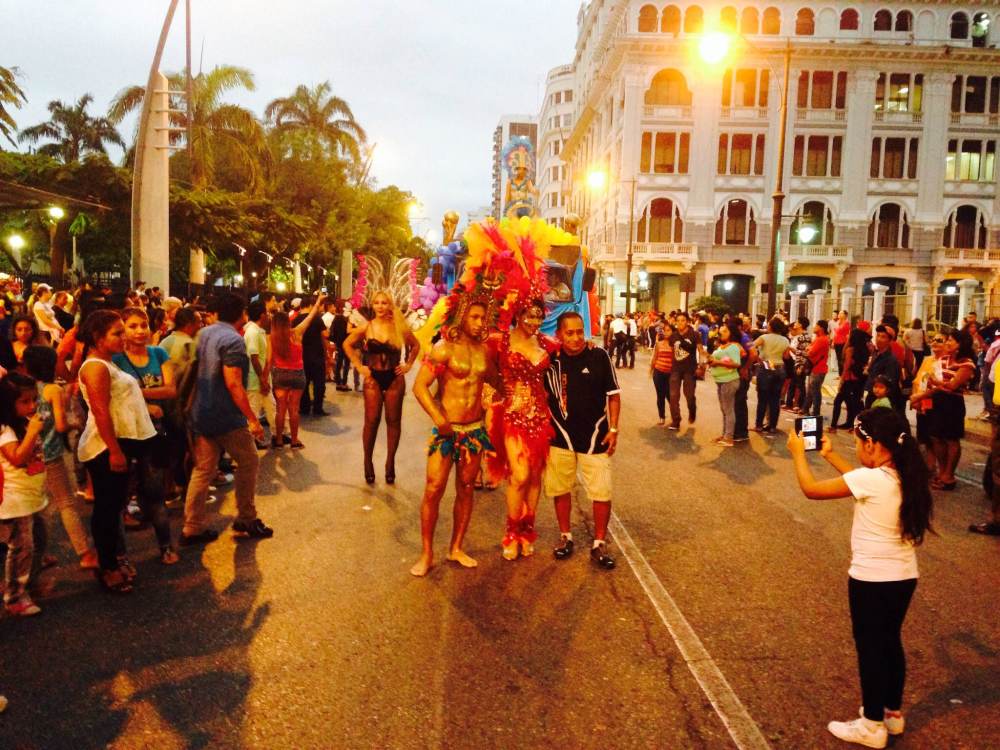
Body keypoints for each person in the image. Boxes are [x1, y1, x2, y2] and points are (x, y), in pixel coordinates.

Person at [788, 408, 932, 749]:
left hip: (872, 580)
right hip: (903, 576)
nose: (856, 449)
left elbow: (811, 489)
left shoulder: (873, 481)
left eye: (857, 443)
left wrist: (798, 454)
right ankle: (891, 714)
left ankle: (870, 725)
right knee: (889, 643)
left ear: (872, 444)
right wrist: (831, 455)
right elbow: (860, 482)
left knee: (870, 649)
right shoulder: (903, 475)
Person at [410, 301, 497, 577]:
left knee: (467, 488)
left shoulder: (485, 351)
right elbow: (419, 386)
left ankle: (456, 547)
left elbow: (499, 382)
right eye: (473, 316)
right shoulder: (443, 348)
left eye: (483, 317)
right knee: (433, 489)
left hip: (473, 432)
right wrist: (439, 419)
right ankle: (426, 553)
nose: (479, 322)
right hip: (446, 432)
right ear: (461, 318)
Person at [77, 310, 157, 594]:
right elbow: (100, 412)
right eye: (118, 333)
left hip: (117, 444)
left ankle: (111, 559)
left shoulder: (108, 363)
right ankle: (108, 568)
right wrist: (114, 451)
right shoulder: (96, 367)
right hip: (104, 447)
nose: (124, 337)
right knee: (107, 510)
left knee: (113, 509)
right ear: (98, 338)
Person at [182, 293, 272, 545]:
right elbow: (233, 383)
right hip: (226, 415)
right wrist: (252, 419)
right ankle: (246, 518)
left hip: (201, 411)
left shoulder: (205, 333)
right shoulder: (233, 340)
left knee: (202, 471)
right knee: (249, 461)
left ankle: (192, 527)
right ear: (241, 313)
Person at [545, 312, 620, 569]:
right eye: (570, 333)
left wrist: (614, 428)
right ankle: (565, 536)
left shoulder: (599, 356)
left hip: (594, 437)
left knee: (602, 491)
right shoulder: (549, 360)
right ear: (559, 335)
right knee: (560, 488)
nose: (576, 338)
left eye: (580, 332)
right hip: (560, 438)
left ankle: (599, 542)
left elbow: (613, 395)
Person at [488, 300, 554, 561]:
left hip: (540, 416)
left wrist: (591, 346)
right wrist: (489, 400)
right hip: (512, 415)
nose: (535, 322)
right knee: (520, 475)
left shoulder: (547, 344)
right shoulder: (500, 342)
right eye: (530, 316)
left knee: (535, 477)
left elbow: (573, 352)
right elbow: (483, 368)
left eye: (539, 317)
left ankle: (527, 531)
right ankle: (512, 532)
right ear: (518, 315)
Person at [112, 308, 178, 565]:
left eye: (144, 325)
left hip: (155, 433)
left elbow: (170, 390)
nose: (140, 331)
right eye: (133, 326)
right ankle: (120, 557)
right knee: (119, 497)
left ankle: (166, 546)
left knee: (155, 493)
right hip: (125, 434)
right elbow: (114, 396)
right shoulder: (116, 360)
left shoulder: (159, 353)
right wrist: (147, 400)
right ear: (124, 330)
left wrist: (136, 393)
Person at [23, 346, 96, 570]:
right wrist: (75, 423)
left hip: (31, 455)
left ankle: (38, 555)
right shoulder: (53, 390)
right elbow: (61, 424)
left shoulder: (26, 390)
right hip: (52, 455)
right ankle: (84, 552)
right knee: (66, 503)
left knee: (37, 507)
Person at [344, 291, 419, 484]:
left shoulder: (399, 327)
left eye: (384, 303)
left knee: (394, 421)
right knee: (372, 421)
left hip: (395, 378)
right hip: (373, 378)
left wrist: (408, 364)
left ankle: (390, 462)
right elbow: (347, 344)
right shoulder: (367, 327)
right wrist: (359, 366)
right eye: (376, 303)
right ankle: (367, 461)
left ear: (390, 305)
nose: (379, 306)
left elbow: (416, 345)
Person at [267, 294, 326, 449]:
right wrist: (318, 302)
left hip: (280, 374)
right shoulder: (296, 333)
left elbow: (269, 360)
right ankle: (294, 440)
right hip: (297, 374)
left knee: (280, 410)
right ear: (288, 322)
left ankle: (279, 440)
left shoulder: (271, 338)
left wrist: (264, 378)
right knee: (294, 409)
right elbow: (311, 316)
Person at [924, 330, 976, 491]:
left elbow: (953, 385)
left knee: (951, 438)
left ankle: (949, 474)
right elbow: (934, 381)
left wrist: (936, 382)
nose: (947, 343)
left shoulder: (966, 364)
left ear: (960, 345)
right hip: (939, 400)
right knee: (936, 436)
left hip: (952, 403)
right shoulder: (943, 360)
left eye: (951, 341)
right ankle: (942, 470)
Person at [243, 301, 276, 449]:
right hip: (255, 380)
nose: (269, 316)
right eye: (267, 313)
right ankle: (251, 444)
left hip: (260, 379)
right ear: (262, 315)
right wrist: (262, 379)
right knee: (254, 413)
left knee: (271, 408)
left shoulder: (258, 330)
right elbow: (253, 356)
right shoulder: (253, 332)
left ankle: (277, 435)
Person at [753, 317, 790, 436]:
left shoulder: (764, 337)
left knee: (763, 399)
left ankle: (759, 425)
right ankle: (773, 426)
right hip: (780, 368)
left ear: (770, 326)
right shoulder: (785, 340)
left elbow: (751, 346)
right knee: (775, 399)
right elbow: (786, 356)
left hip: (766, 366)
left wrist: (759, 357)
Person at [830, 327, 872, 432]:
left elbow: (846, 366)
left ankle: (833, 425)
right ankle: (851, 424)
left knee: (838, 401)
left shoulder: (850, 349)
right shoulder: (865, 349)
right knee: (853, 402)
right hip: (859, 379)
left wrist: (841, 381)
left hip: (849, 378)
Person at [667, 311, 703, 430]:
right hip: (676, 369)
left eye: (683, 320)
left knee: (689, 395)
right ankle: (676, 420)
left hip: (690, 369)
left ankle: (692, 410)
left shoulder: (695, 334)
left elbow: (700, 351)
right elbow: (672, 352)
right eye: (678, 321)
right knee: (673, 395)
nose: (680, 323)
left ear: (687, 322)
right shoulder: (673, 336)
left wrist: (700, 366)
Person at [709, 321, 742, 447]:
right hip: (721, 381)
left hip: (729, 381)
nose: (721, 334)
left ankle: (729, 437)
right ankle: (725, 434)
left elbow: (736, 363)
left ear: (731, 334)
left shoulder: (733, 347)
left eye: (725, 331)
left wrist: (718, 363)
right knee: (724, 409)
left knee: (728, 409)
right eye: (721, 331)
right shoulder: (721, 346)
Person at [299, 298, 330, 416]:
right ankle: (318, 408)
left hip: (302, 357)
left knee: (304, 383)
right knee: (319, 383)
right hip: (317, 356)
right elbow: (326, 334)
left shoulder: (295, 320)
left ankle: (304, 408)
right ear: (311, 305)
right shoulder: (317, 319)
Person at [864, 327, 901, 409]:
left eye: (883, 337)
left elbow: (890, 383)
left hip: (880, 402)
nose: (879, 339)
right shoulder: (876, 354)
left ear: (890, 341)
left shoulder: (891, 360)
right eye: (878, 336)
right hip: (872, 397)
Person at [785, 317, 812, 414]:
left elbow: (804, 353)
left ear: (800, 325)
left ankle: (801, 406)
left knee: (800, 386)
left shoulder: (804, 337)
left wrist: (801, 366)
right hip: (795, 362)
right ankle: (790, 404)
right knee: (793, 384)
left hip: (800, 364)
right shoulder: (798, 336)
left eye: (797, 322)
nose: (795, 324)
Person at [649, 321, 674, 426]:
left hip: (671, 374)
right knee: (660, 395)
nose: (666, 332)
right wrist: (651, 370)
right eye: (665, 330)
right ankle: (662, 417)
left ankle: (675, 417)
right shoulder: (659, 344)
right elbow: (655, 357)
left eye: (668, 330)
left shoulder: (676, 345)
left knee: (671, 396)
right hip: (658, 372)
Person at [804, 320, 831, 418]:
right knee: (811, 390)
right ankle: (807, 409)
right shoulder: (820, 338)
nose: (814, 327)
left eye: (816, 325)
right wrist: (808, 348)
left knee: (814, 391)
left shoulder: (821, 339)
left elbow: (809, 352)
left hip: (818, 368)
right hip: (818, 368)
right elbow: (808, 348)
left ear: (821, 328)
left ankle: (815, 412)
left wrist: (808, 349)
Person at [329, 300, 351, 391]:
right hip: (347, 344)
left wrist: (335, 342)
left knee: (339, 363)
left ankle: (338, 383)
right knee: (346, 364)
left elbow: (332, 332)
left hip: (339, 344)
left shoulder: (336, 318)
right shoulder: (347, 319)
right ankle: (344, 383)